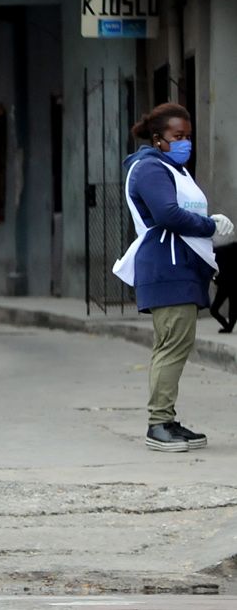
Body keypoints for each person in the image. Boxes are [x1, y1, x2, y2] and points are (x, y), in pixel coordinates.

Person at [113, 103, 232, 452]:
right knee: (172, 345)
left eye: (188, 137)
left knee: (174, 345)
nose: (185, 143)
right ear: (158, 139)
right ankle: (159, 424)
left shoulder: (170, 168)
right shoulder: (150, 169)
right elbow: (167, 214)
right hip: (167, 268)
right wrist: (211, 225)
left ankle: (166, 420)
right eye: (177, 137)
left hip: (177, 267)